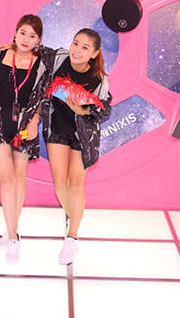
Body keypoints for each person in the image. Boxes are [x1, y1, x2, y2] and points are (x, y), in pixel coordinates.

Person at [0, 15, 53, 263]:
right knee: (7, 179)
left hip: (24, 127)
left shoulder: (42, 65)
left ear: (39, 40)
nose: (26, 39)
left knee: (19, 178)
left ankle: (11, 229)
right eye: (23, 33)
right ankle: (12, 235)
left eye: (32, 36)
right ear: (15, 33)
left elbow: (44, 97)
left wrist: (35, 121)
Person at [42, 28, 112, 264]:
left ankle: (72, 237)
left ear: (94, 53)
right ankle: (74, 218)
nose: (77, 50)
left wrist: (82, 110)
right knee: (60, 184)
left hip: (83, 134)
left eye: (85, 47)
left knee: (75, 184)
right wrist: (9, 47)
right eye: (75, 43)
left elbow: (105, 110)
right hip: (57, 128)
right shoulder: (59, 58)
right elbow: (34, 49)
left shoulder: (99, 79)